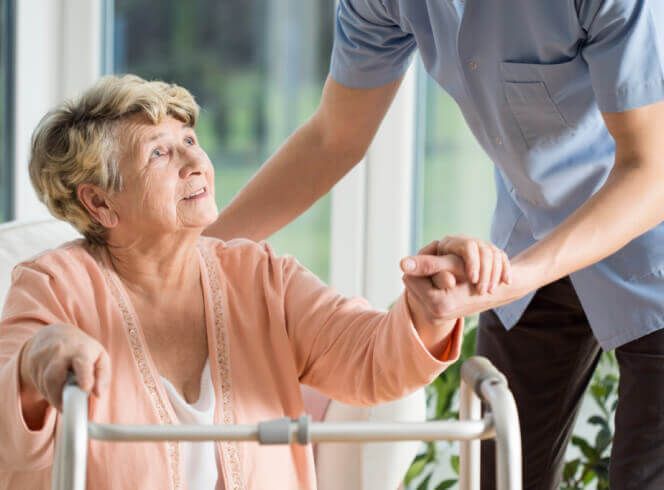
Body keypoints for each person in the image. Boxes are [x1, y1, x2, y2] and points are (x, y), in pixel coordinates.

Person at [204, 1, 664, 489]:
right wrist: (191, 256)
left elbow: (651, 172)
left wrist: (509, 281)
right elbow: (334, 137)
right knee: (497, 470)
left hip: (647, 245)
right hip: (532, 233)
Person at [0, 75, 507, 490]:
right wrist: (37, 359)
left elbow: (371, 359)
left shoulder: (259, 275)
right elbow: (9, 420)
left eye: (191, 142)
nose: (196, 163)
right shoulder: (53, 285)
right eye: (160, 153)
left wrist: (429, 310)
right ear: (100, 203)